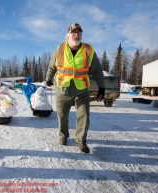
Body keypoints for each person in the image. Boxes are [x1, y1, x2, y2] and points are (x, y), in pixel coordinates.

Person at [45, 23, 105, 153]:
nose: (76, 35)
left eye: (79, 33)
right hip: (63, 89)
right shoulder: (59, 50)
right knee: (62, 115)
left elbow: (98, 71)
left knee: (84, 115)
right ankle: (63, 136)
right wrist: (48, 80)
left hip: (81, 90)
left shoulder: (88, 50)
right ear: (67, 36)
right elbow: (52, 67)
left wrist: (102, 87)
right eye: (73, 32)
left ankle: (81, 141)